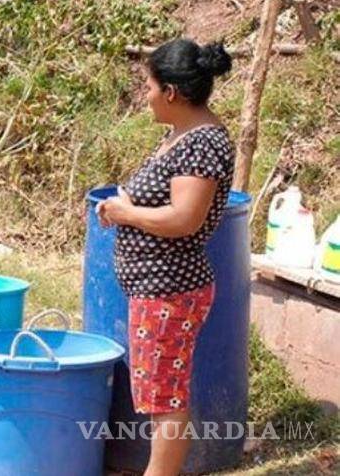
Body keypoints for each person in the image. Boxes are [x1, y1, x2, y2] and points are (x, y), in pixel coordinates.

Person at [96, 39, 234, 476]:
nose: (147, 95)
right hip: (157, 288)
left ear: (171, 92)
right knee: (159, 394)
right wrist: (124, 205)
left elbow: (184, 218)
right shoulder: (182, 135)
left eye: (150, 86)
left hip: (170, 291)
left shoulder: (203, 143)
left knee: (165, 399)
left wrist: (126, 213)